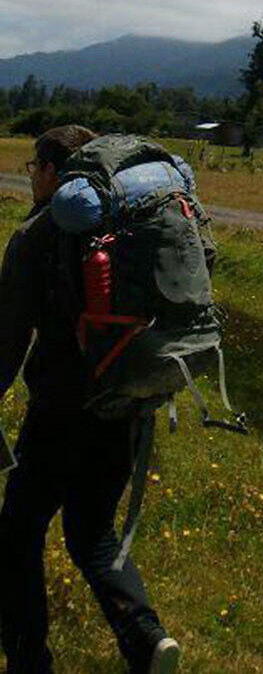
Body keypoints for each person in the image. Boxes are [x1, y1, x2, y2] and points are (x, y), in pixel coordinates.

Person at [0, 124, 180, 673]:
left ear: (53, 172)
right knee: (91, 531)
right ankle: (147, 640)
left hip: (60, 412)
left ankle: (29, 661)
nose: (32, 178)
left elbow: (8, 337)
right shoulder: (130, 226)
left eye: (35, 168)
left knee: (17, 533)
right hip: (126, 402)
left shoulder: (37, 234)